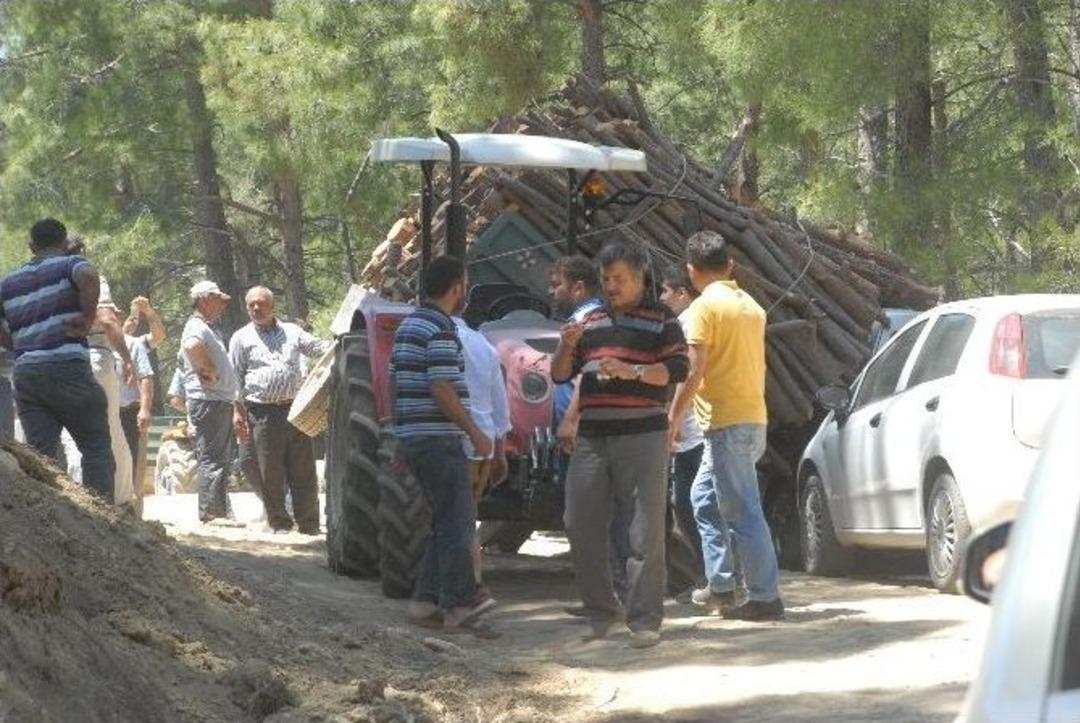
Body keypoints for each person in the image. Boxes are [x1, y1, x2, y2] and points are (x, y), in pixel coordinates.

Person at [551, 240, 689, 649]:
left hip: (643, 435)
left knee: (643, 531)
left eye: (620, 279)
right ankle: (600, 608)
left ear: (641, 278)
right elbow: (561, 375)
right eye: (607, 278)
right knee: (578, 521)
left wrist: (634, 372)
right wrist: (567, 345)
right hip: (593, 437)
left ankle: (644, 618)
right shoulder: (590, 319)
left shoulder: (662, 318)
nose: (612, 286)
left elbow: (678, 368)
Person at [669, 230, 784, 621]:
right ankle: (720, 584)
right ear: (730, 265)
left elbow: (693, 370)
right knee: (703, 498)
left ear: (691, 271)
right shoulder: (752, 306)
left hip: (726, 423)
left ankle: (766, 598)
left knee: (744, 511)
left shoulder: (704, 308)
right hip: (751, 418)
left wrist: (673, 418)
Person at [391, 256, 497, 637]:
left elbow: (395, 383)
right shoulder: (440, 327)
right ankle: (460, 604)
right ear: (456, 288)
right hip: (439, 439)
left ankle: (424, 602)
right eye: (464, 284)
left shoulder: (408, 326)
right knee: (459, 523)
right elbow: (441, 387)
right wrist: (475, 431)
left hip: (415, 437)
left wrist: (401, 434)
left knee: (443, 521)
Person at [0, 219, 115, 499]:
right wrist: (87, 318)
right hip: (67, 367)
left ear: (31, 247)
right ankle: (103, 515)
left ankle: (48, 513)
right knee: (96, 448)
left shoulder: (9, 282)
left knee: (41, 457)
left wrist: (14, 342)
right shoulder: (69, 264)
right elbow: (89, 276)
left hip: (27, 374)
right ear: (64, 243)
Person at [230, 286, 330, 534]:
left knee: (303, 469)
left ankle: (309, 524)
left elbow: (318, 348)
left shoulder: (292, 332)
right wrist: (237, 412)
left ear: (273, 306)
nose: (256, 308)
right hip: (262, 413)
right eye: (251, 304)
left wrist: (342, 342)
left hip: (296, 410)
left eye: (261, 303)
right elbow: (234, 378)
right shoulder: (240, 338)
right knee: (270, 471)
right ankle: (280, 523)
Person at [58, 236, 136, 506]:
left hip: (59, 360)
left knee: (71, 435)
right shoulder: (89, 277)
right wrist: (127, 358)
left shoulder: (48, 281)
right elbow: (107, 319)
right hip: (93, 357)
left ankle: (81, 501)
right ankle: (117, 501)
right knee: (109, 430)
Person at [659, 265, 708, 599]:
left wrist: (672, 418)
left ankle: (714, 577)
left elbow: (687, 374)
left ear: (681, 293)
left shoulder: (689, 322)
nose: (661, 298)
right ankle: (707, 576)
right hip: (690, 432)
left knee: (696, 505)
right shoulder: (684, 322)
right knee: (687, 504)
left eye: (665, 291)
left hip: (695, 429)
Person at [452, 315, 511, 584]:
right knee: (466, 515)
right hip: (479, 446)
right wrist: (500, 454)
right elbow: (500, 410)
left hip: (448, 441)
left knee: (449, 517)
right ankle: (469, 584)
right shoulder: (484, 345)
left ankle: (464, 586)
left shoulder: (425, 336)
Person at [181, 280, 240, 525]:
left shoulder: (205, 326)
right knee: (213, 458)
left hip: (215, 400)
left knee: (219, 458)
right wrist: (209, 371)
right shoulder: (196, 326)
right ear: (204, 299)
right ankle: (212, 514)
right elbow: (192, 346)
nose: (222, 305)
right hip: (209, 400)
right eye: (217, 299)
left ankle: (219, 512)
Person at [117, 296, 165, 503]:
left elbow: (159, 336)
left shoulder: (137, 344)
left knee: (135, 462)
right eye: (129, 319)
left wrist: (148, 312)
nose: (132, 323)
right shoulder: (103, 343)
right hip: (108, 410)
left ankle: (134, 506)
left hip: (130, 411)